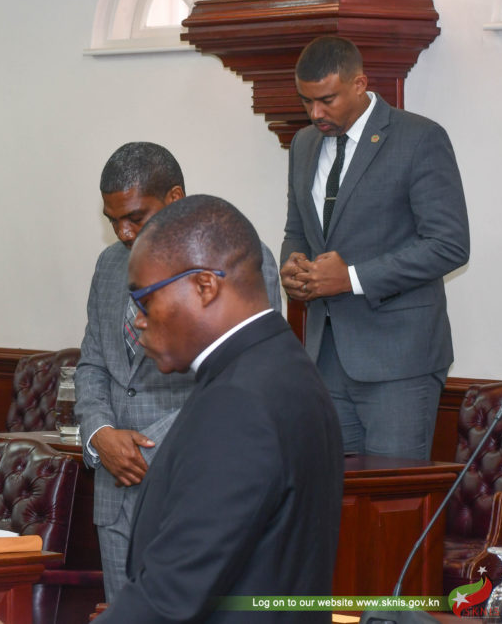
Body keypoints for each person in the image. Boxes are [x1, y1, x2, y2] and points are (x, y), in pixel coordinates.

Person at [98, 195, 343, 623]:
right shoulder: (284, 365)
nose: (138, 320)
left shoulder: (238, 404)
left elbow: (170, 595)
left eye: (144, 301)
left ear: (204, 286)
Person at [74, 141, 282, 601]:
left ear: (174, 199)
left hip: (192, 486)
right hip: (114, 490)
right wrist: (100, 434)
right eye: (113, 220)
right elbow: (93, 363)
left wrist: (147, 449)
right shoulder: (109, 265)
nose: (124, 233)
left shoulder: (235, 258)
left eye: (136, 217)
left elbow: (242, 375)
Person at [280, 35, 470, 460]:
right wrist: (292, 266)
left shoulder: (419, 138)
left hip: (400, 362)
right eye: (307, 101)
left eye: (327, 100)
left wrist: (350, 278)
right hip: (325, 356)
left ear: (360, 83)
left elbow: (449, 245)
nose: (315, 113)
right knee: (334, 492)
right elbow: (297, 230)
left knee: (392, 493)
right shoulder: (303, 144)